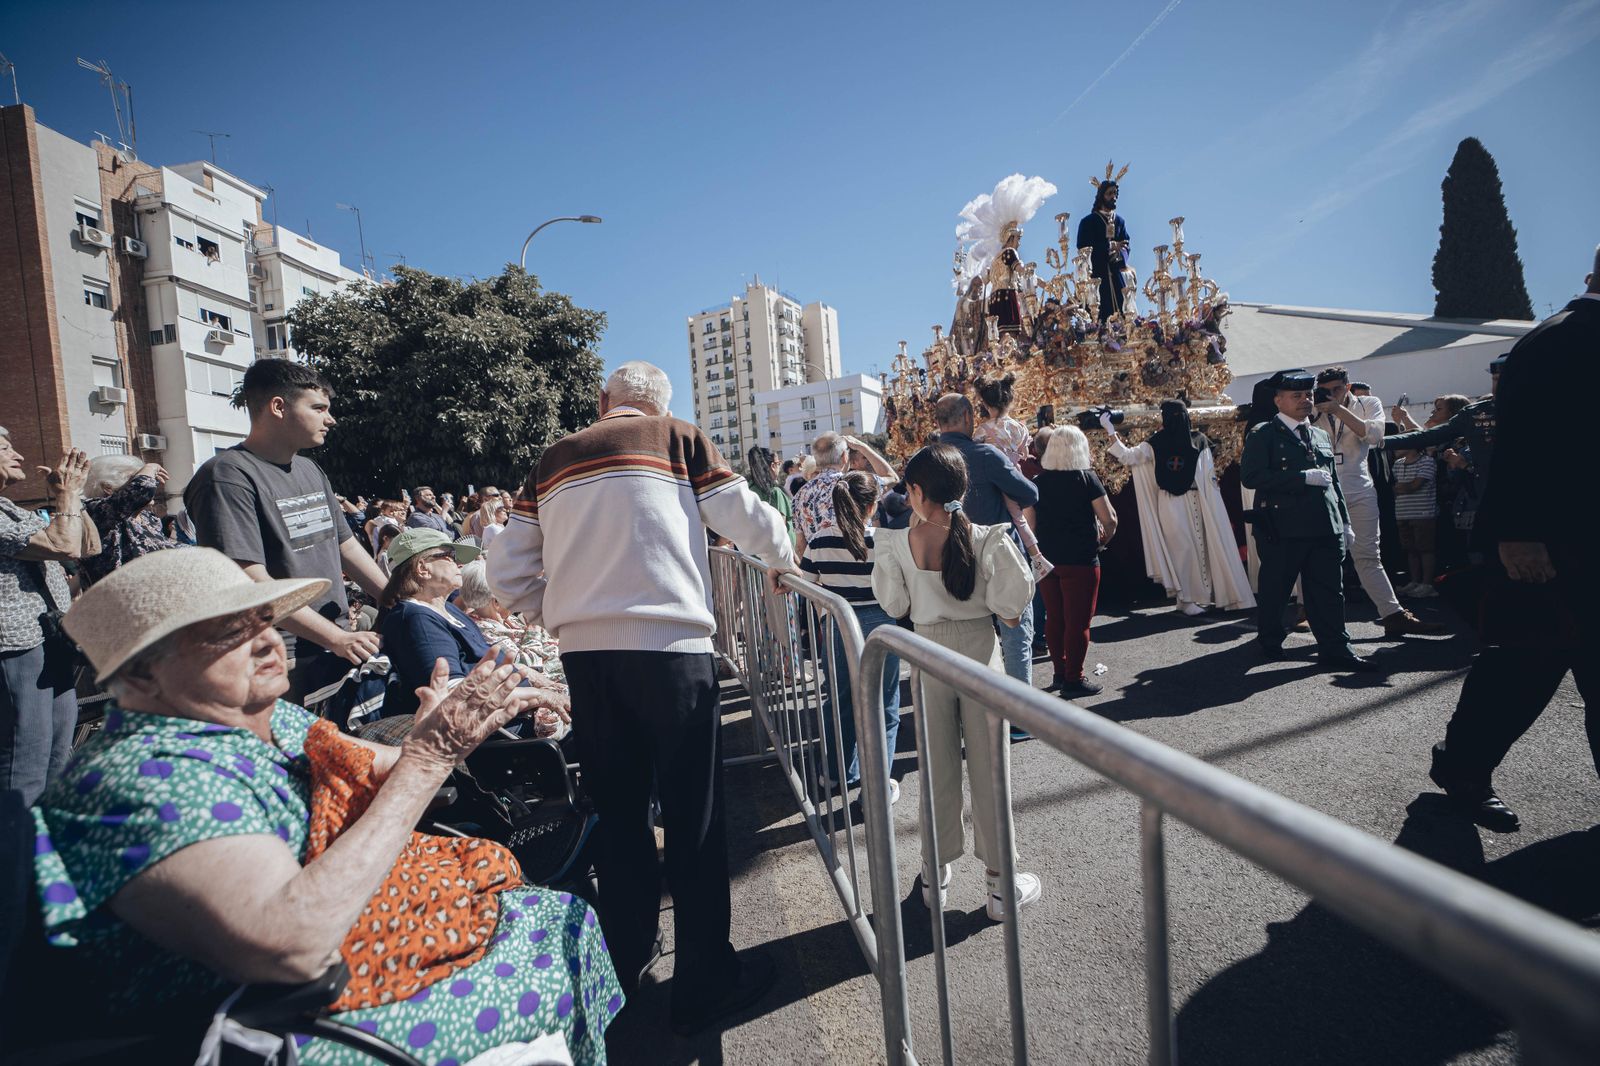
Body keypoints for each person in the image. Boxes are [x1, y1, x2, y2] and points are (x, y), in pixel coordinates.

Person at [32, 548, 619, 1063]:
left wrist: (436, 731)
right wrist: (432, 755)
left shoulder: (259, 716)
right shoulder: (142, 777)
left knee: (561, 916)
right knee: (551, 935)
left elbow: (386, 763)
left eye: (264, 618)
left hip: (321, 963)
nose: (267, 640)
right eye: (228, 632)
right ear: (141, 675)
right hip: (251, 1021)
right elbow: (289, 944)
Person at [489, 360, 794, 1034]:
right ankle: (706, 980)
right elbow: (745, 516)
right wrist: (783, 561)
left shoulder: (553, 458)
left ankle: (624, 963)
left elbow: (505, 570)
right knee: (695, 818)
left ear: (604, 402)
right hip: (674, 652)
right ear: (661, 405)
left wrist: (559, 610)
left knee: (619, 817)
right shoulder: (678, 438)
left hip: (589, 659)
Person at [1424, 250, 1600, 832]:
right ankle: (1463, 770)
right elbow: (1522, 446)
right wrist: (1518, 534)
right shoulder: (1558, 340)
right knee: (1522, 669)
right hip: (1554, 545)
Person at [871, 443, 1038, 919]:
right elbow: (1012, 606)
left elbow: (894, 605)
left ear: (917, 491)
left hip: (927, 657)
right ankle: (1001, 885)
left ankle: (934, 874)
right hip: (981, 658)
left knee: (936, 770)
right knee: (991, 771)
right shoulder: (988, 537)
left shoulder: (898, 542)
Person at [183, 359, 389, 703]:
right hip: (277, 654)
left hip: (331, 643)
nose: (330, 419)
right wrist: (334, 639)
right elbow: (249, 581)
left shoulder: (310, 469)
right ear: (278, 407)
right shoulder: (227, 476)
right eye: (318, 408)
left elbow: (346, 547)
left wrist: (397, 599)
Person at [1240, 369, 1375, 672]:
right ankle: (1270, 640)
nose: (1305, 401)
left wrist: (1344, 521)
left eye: (1308, 395)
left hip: (1324, 525)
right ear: (1278, 400)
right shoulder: (1263, 434)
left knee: (1329, 590)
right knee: (1277, 587)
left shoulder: (1318, 434)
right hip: (1283, 526)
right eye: (1296, 396)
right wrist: (1300, 478)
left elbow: (1333, 482)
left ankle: (1337, 648)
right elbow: (1251, 476)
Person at [376, 528, 566, 731]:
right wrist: (542, 696)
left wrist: (536, 679)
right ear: (422, 568)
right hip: (506, 734)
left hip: (520, 713)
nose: (458, 563)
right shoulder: (417, 620)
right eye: (448, 555)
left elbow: (487, 663)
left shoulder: (446, 609)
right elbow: (456, 697)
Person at [789, 469, 903, 801]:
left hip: (838, 625)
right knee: (885, 704)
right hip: (881, 626)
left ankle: (837, 772)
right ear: (873, 505)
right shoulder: (884, 540)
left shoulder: (820, 538)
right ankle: (879, 784)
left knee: (838, 700)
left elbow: (807, 583)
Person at [933, 394, 1040, 733]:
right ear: (966, 417)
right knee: (1015, 636)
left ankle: (974, 718)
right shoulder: (985, 455)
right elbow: (1028, 494)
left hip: (949, 560)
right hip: (998, 558)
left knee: (966, 643)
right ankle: (1020, 719)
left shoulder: (927, 460)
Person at [1310, 367, 1441, 636]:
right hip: (1324, 490)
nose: (1330, 395)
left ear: (1347, 388)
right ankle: (1307, 613)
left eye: (1336, 389)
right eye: (1325, 390)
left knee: (1368, 555)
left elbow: (1375, 437)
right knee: (1317, 556)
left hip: (1359, 488)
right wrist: (1317, 408)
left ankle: (1393, 614)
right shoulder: (1314, 409)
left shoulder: (1368, 403)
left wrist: (1337, 410)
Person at [0, 435, 93, 803]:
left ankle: (45, 842)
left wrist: (70, 497)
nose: (19, 453)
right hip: (16, 650)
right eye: (5, 449)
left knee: (57, 753)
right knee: (24, 759)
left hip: (50, 640)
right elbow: (62, 545)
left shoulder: (10, 508)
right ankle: (15, 851)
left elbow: (87, 545)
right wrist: (66, 498)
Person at [1102, 400, 1254, 616]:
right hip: (1172, 501)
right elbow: (1129, 457)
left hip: (1192, 499)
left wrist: (1111, 430)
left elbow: (1207, 475)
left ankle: (1196, 596)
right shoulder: (1159, 442)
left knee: (1198, 549)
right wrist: (1110, 431)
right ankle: (1186, 597)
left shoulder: (1196, 441)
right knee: (1181, 549)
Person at [1035, 426, 1118, 696]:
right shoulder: (1086, 478)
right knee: (1078, 622)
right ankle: (1074, 678)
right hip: (1080, 558)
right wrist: (1104, 540)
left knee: (1055, 618)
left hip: (1049, 561)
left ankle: (1060, 673)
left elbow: (1030, 523)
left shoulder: (1038, 482)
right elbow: (1110, 519)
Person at [973, 373, 1053, 580]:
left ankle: (1038, 559)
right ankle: (1036, 556)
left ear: (985, 403)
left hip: (995, 477)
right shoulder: (1020, 427)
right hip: (1015, 473)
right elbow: (1025, 454)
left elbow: (978, 453)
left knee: (1013, 518)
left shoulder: (982, 430)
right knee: (1020, 518)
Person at [458, 558, 565, 686]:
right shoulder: (484, 631)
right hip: (554, 686)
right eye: (509, 594)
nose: (515, 597)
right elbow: (529, 664)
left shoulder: (506, 619)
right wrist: (533, 628)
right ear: (496, 602)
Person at [79, 456, 180, 587]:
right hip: (119, 598)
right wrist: (150, 467)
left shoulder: (148, 518)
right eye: (134, 478)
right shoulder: (94, 510)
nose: (152, 481)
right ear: (107, 487)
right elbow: (140, 491)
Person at [1075, 167, 1132, 322]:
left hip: (1116, 273)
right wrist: (1109, 247)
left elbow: (1126, 244)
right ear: (1101, 196)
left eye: (1115, 193)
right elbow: (1083, 248)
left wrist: (1120, 255)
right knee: (1098, 315)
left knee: (1124, 312)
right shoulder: (1088, 222)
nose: (1113, 197)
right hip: (1097, 276)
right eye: (1109, 193)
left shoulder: (1119, 221)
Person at [1390, 446, 1438, 597]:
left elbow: (1415, 485)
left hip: (1423, 513)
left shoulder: (1427, 462)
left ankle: (1427, 584)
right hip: (1402, 513)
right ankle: (1415, 582)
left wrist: (1404, 487)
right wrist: (1405, 487)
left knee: (1426, 549)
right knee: (1410, 549)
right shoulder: (1397, 464)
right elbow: (1394, 487)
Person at [746, 445, 793, 535]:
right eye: (778, 463)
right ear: (773, 466)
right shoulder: (775, 492)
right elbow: (780, 528)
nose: (779, 466)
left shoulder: (749, 490)